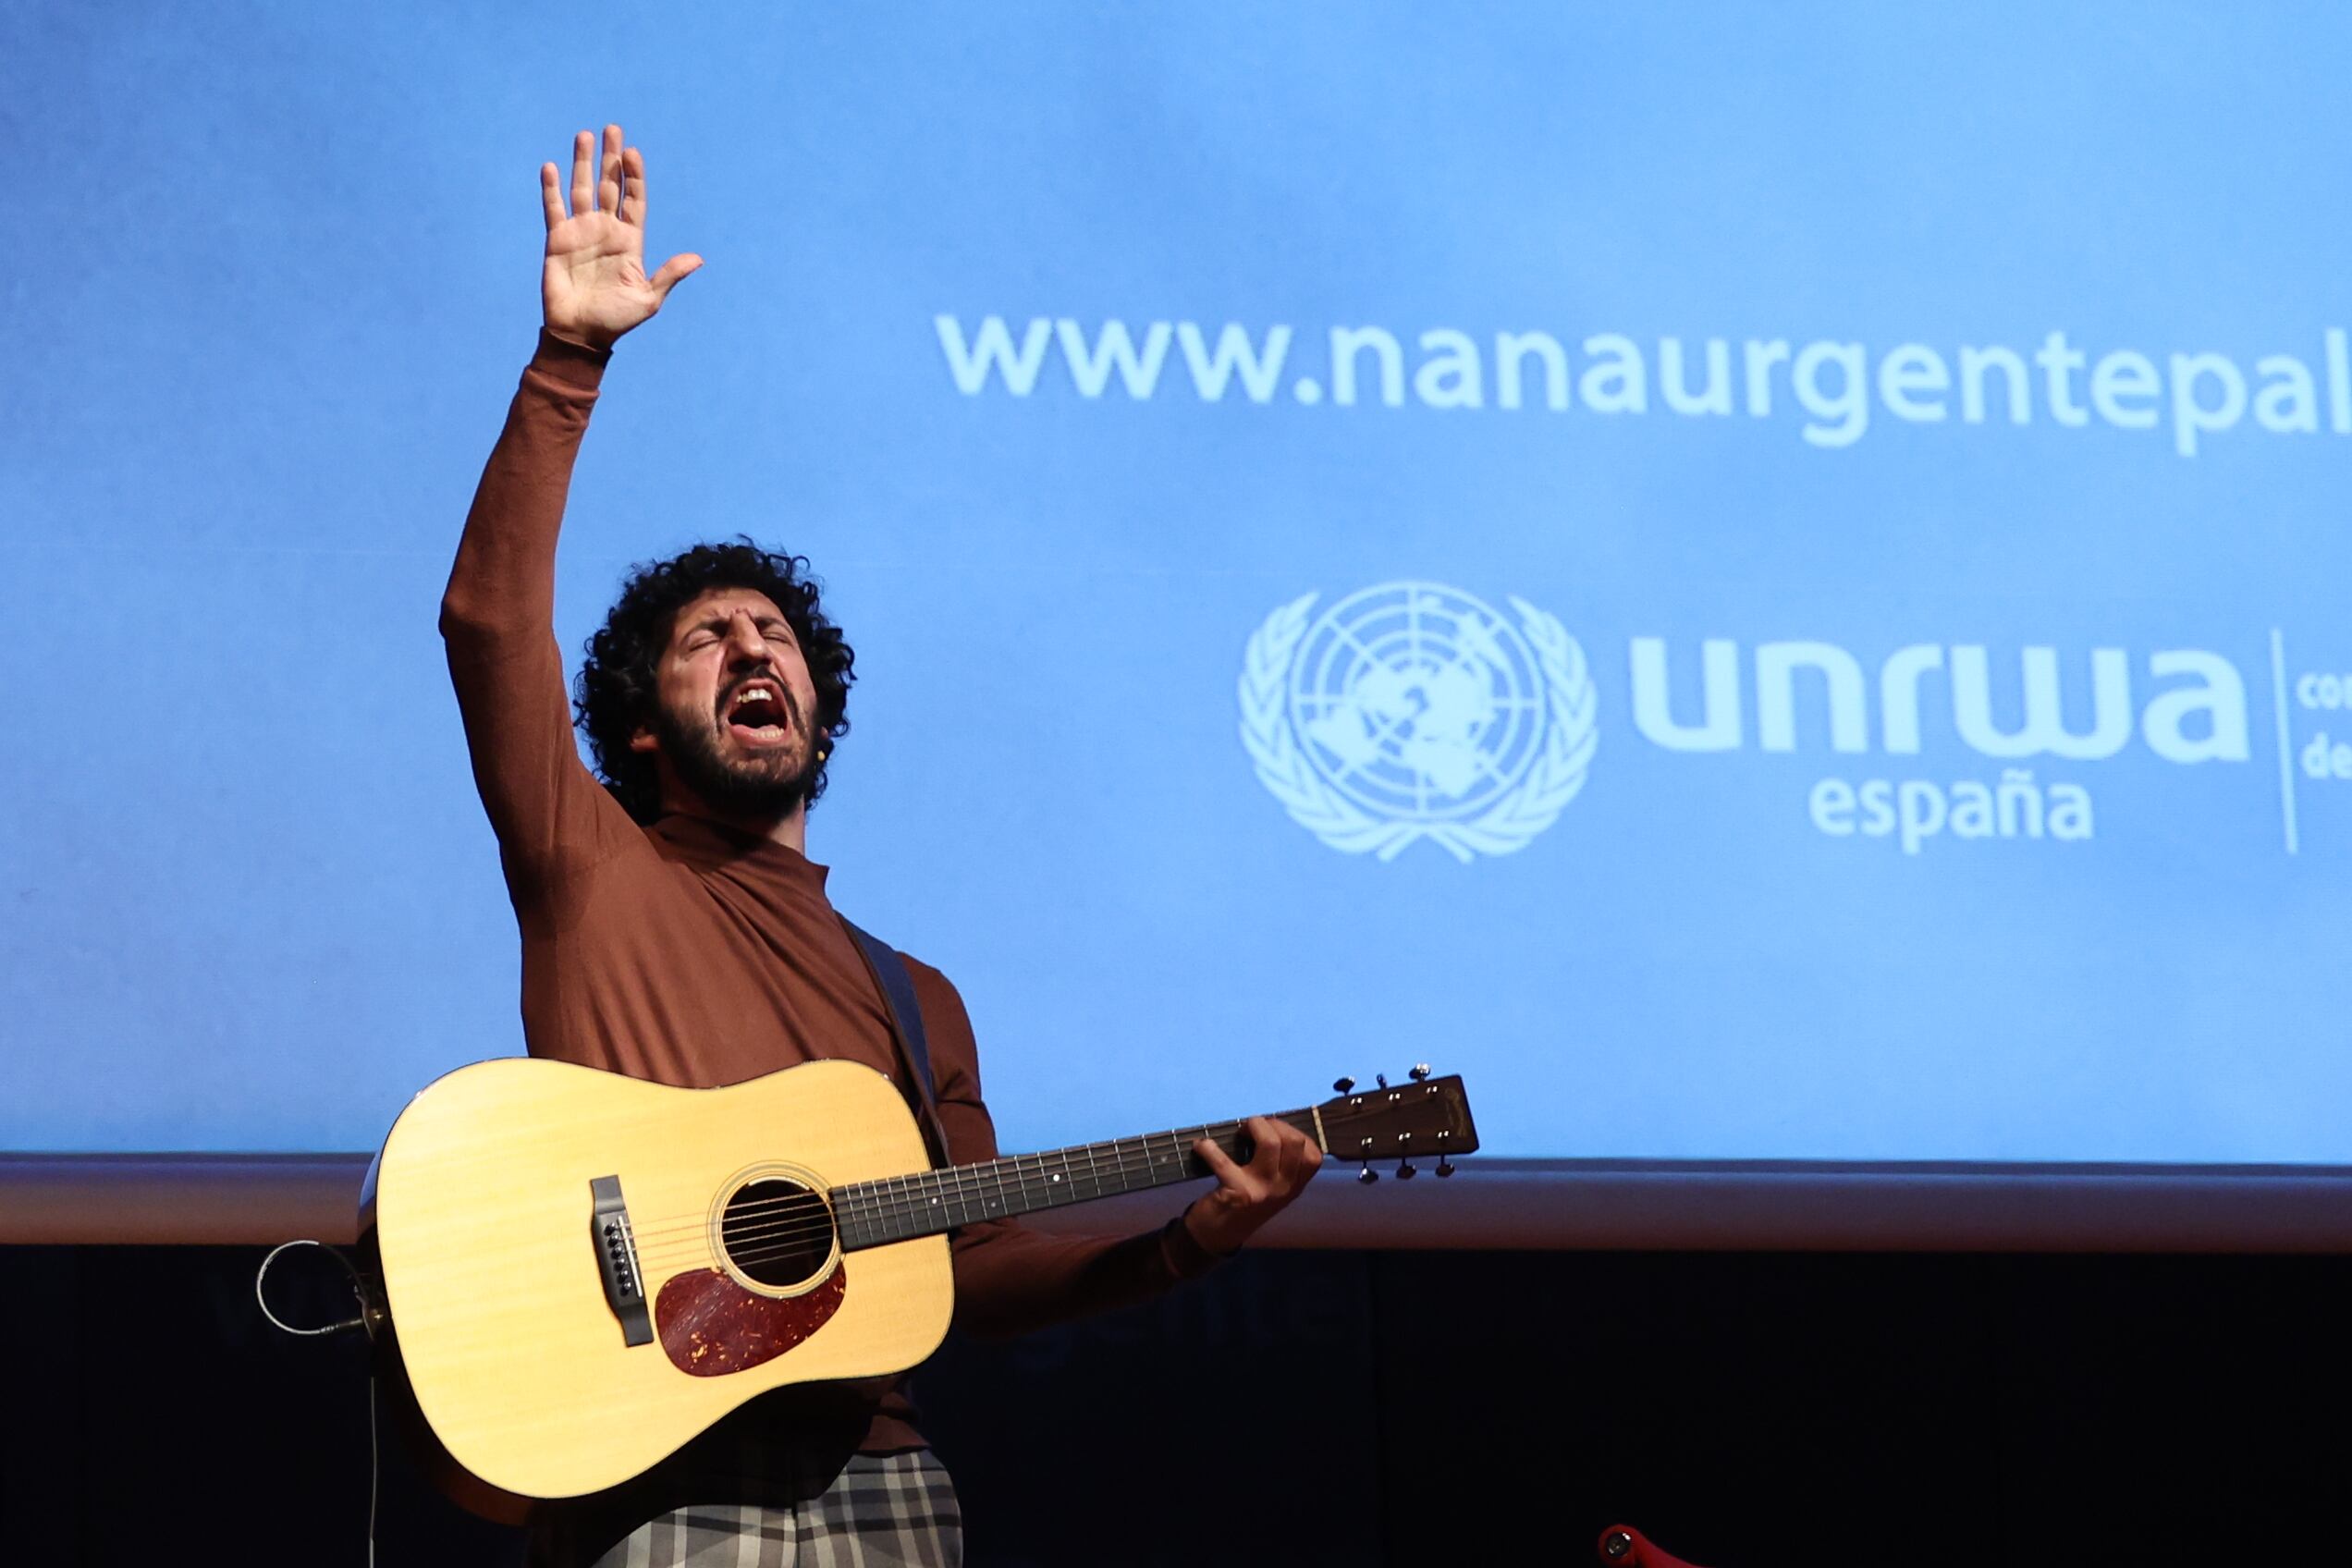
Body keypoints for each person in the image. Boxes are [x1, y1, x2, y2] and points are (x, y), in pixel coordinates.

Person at [439, 124, 1323, 1567]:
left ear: (815, 710)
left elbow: (970, 1267)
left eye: (772, 634)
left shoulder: (917, 999)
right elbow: (487, 626)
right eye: (706, 638)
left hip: (886, 1481)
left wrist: (1190, 1242)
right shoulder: (592, 866)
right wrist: (569, 365)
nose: (749, 648)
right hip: (653, 1464)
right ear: (643, 728)